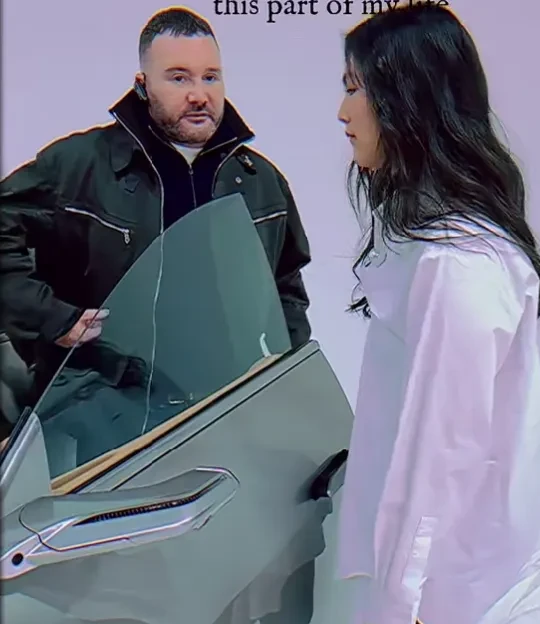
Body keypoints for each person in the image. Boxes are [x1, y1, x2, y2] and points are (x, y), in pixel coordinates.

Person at [335, 5, 540, 624]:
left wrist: (396, 590)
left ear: (405, 102)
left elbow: (442, 443)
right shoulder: (444, 237)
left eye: (355, 88)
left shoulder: (454, 263)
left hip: (444, 538)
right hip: (446, 528)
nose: (342, 110)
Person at [0, 6, 311, 401]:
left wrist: (283, 370)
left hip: (223, 403)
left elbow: (287, 287)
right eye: (179, 78)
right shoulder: (80, 165)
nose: (199, 95)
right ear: (143, 85)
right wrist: (50, 318)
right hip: (101, 399)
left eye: (210, 77)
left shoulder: (260, 181)